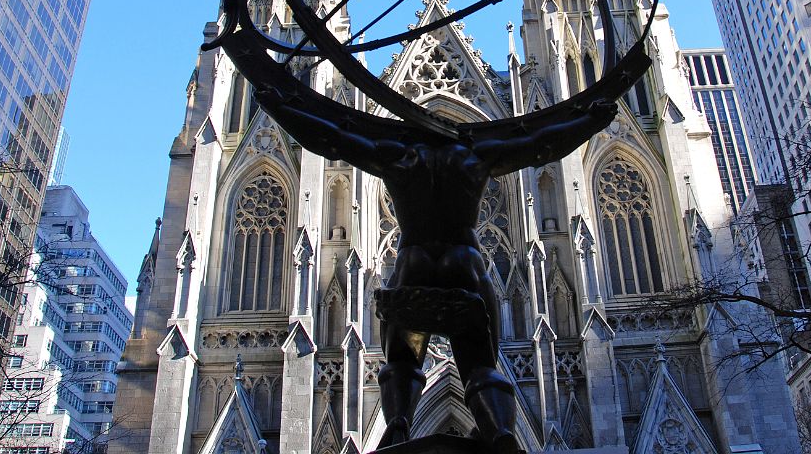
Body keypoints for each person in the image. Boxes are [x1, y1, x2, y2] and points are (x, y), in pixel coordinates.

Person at [257, 86, 615, 450]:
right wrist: (592, 119)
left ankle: (397, 423)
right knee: (480, 365)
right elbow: (541, 144)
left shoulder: (397, 154)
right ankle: (502, 432)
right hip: (464, 265)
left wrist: (276, 104)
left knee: (401, 360)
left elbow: (331, 138)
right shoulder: (473, 155)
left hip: (413, 266)